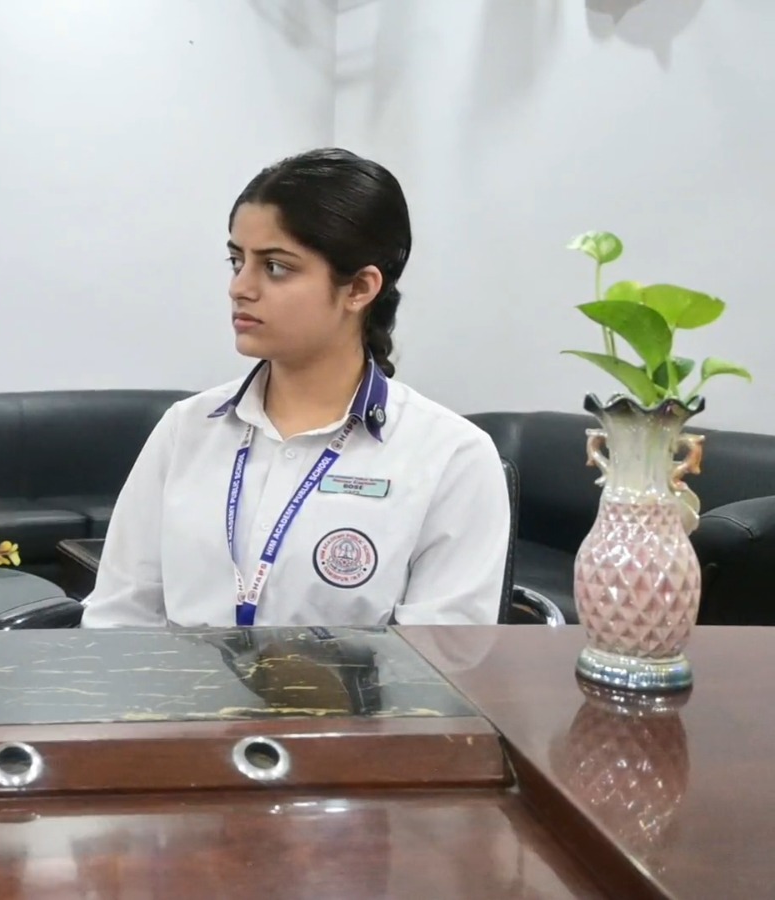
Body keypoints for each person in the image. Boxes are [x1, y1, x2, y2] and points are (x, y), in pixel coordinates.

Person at [82, 148, 510, 628]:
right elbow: (118, 616)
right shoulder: (187, 429)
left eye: (275, 267)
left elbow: (443, 657)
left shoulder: (452, 457)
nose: (240, 287)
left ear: (359, 288)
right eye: (236, 260)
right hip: (177, 680)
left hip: (362, 684)